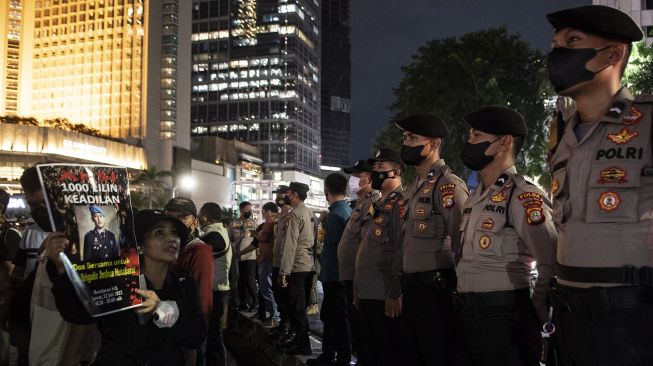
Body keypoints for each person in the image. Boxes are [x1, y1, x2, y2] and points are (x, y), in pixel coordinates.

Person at [545, 5, 653, 366]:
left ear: (613, 53)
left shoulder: (647, 120)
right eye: (555, 43)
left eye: (572, 41)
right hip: (570, 319)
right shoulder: (561, 137)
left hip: (632, 321)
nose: (557, 52)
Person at [456, 106, 558, 366]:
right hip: (469, 312)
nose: (469, 141)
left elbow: (550, 258)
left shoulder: (522, 195)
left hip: (505, 315)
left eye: (476, 135)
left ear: (504, 142)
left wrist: (536, 306)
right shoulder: (476, 196)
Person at [46, 209, 206, 365]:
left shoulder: (185, 285)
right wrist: (61, 270)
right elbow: (77, 314)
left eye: (174, 233)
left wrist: (162, 310)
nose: (171, 239)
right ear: (140, 245)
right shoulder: (117, 282)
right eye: (159, 233)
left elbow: (195, 336)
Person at [396, 114, 469, 365]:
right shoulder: (414, 186)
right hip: (412, 289)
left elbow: (462, 242)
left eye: (413, 138)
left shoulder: (448, 185)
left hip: (436, 290)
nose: (406, 144)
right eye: (405, 138)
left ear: (434, 143)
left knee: (438, 355)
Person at [354, 149, 405, 366]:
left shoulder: (401, 203)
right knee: (366, 350)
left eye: (381, 168)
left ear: (396, 172)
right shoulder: (377, 204)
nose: (375, 173)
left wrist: (395, 292)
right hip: (366, 291)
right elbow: (366, 246)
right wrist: (357, 287)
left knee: (385, 351)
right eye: (374, 168)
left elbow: (400, 249)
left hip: (383, 293)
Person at [307, 173, 352, 366]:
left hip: (335, 275)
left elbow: (333, 245)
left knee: (336, 319)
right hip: (341, 275)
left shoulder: (334, 215)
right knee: (332, 316)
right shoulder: (347, 210)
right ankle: (331, 355)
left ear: (327, 192)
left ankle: (338, 357)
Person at [338, 159, 378, 365]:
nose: (352, 180)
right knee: (356, 329)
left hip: (360, 277)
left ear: (369, 178)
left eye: (357, 175)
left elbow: (369, 239)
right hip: (351, 276)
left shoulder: (373, 201)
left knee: (364, 331)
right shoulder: (360, 203)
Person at [277, 182, 315, 356]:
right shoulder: (308, 212)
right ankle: (300, 342)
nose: (286, 196)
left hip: (297, 266)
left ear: (294, 195)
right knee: (300, 306)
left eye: (289, 193)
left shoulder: (295, 214)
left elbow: (291, 244)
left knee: (297, 308)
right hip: (307, 264)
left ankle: (303, 344)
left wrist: (284, 271)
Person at [198, 202, 231, 366]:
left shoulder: (215, 234)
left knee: (213, 335)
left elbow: (214, 244)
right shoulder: (221, 230)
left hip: (215, 290)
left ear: (203, 217)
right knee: (213, 334)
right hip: (219, 289)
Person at [241, 202, 280, 326]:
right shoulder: (279, 221)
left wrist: (254, 233)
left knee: (266, 289)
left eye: (263, 212)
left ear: (268, 212)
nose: (263, 215)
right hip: (272, 259)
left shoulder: (269, 222)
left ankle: (274, 316)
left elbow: (262, 239)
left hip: (266, 259)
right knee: (269, 289)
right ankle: (273, 315)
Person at [270, 185, 292, 339]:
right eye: (277, 194)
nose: (278, 197)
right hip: (276, 261)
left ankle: (289, 327)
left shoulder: (292, 214)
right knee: (278, 294)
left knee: (287, 297)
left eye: (281, 194)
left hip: (286, 262)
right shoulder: (278, 216)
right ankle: (283, 324)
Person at [229, 201, 258, 311]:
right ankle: (243, 302)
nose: (249, 212)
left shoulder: (253, 223)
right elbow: (230, 238)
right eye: (247, 210)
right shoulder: (234, 223)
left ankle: (255, 302)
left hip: (250, 256)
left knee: (250, 280)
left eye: (250, 210)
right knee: (240, 281)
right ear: (241, 210)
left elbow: (256, 239)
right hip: (238, 257)